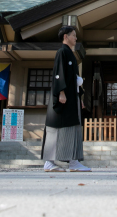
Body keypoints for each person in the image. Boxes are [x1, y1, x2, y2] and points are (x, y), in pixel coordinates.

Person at [42, 25, 91, 172]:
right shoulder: (62, 52)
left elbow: (73, 77)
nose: (76, 38)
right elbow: (59, 73)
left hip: (72, 96)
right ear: (66, 37)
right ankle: (49, 162)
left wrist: (79, 96)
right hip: (63, 97)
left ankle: (74, 162)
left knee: (72, 128)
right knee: (55, 127)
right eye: (73, 35)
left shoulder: (70, 53)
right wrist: (61, 92)